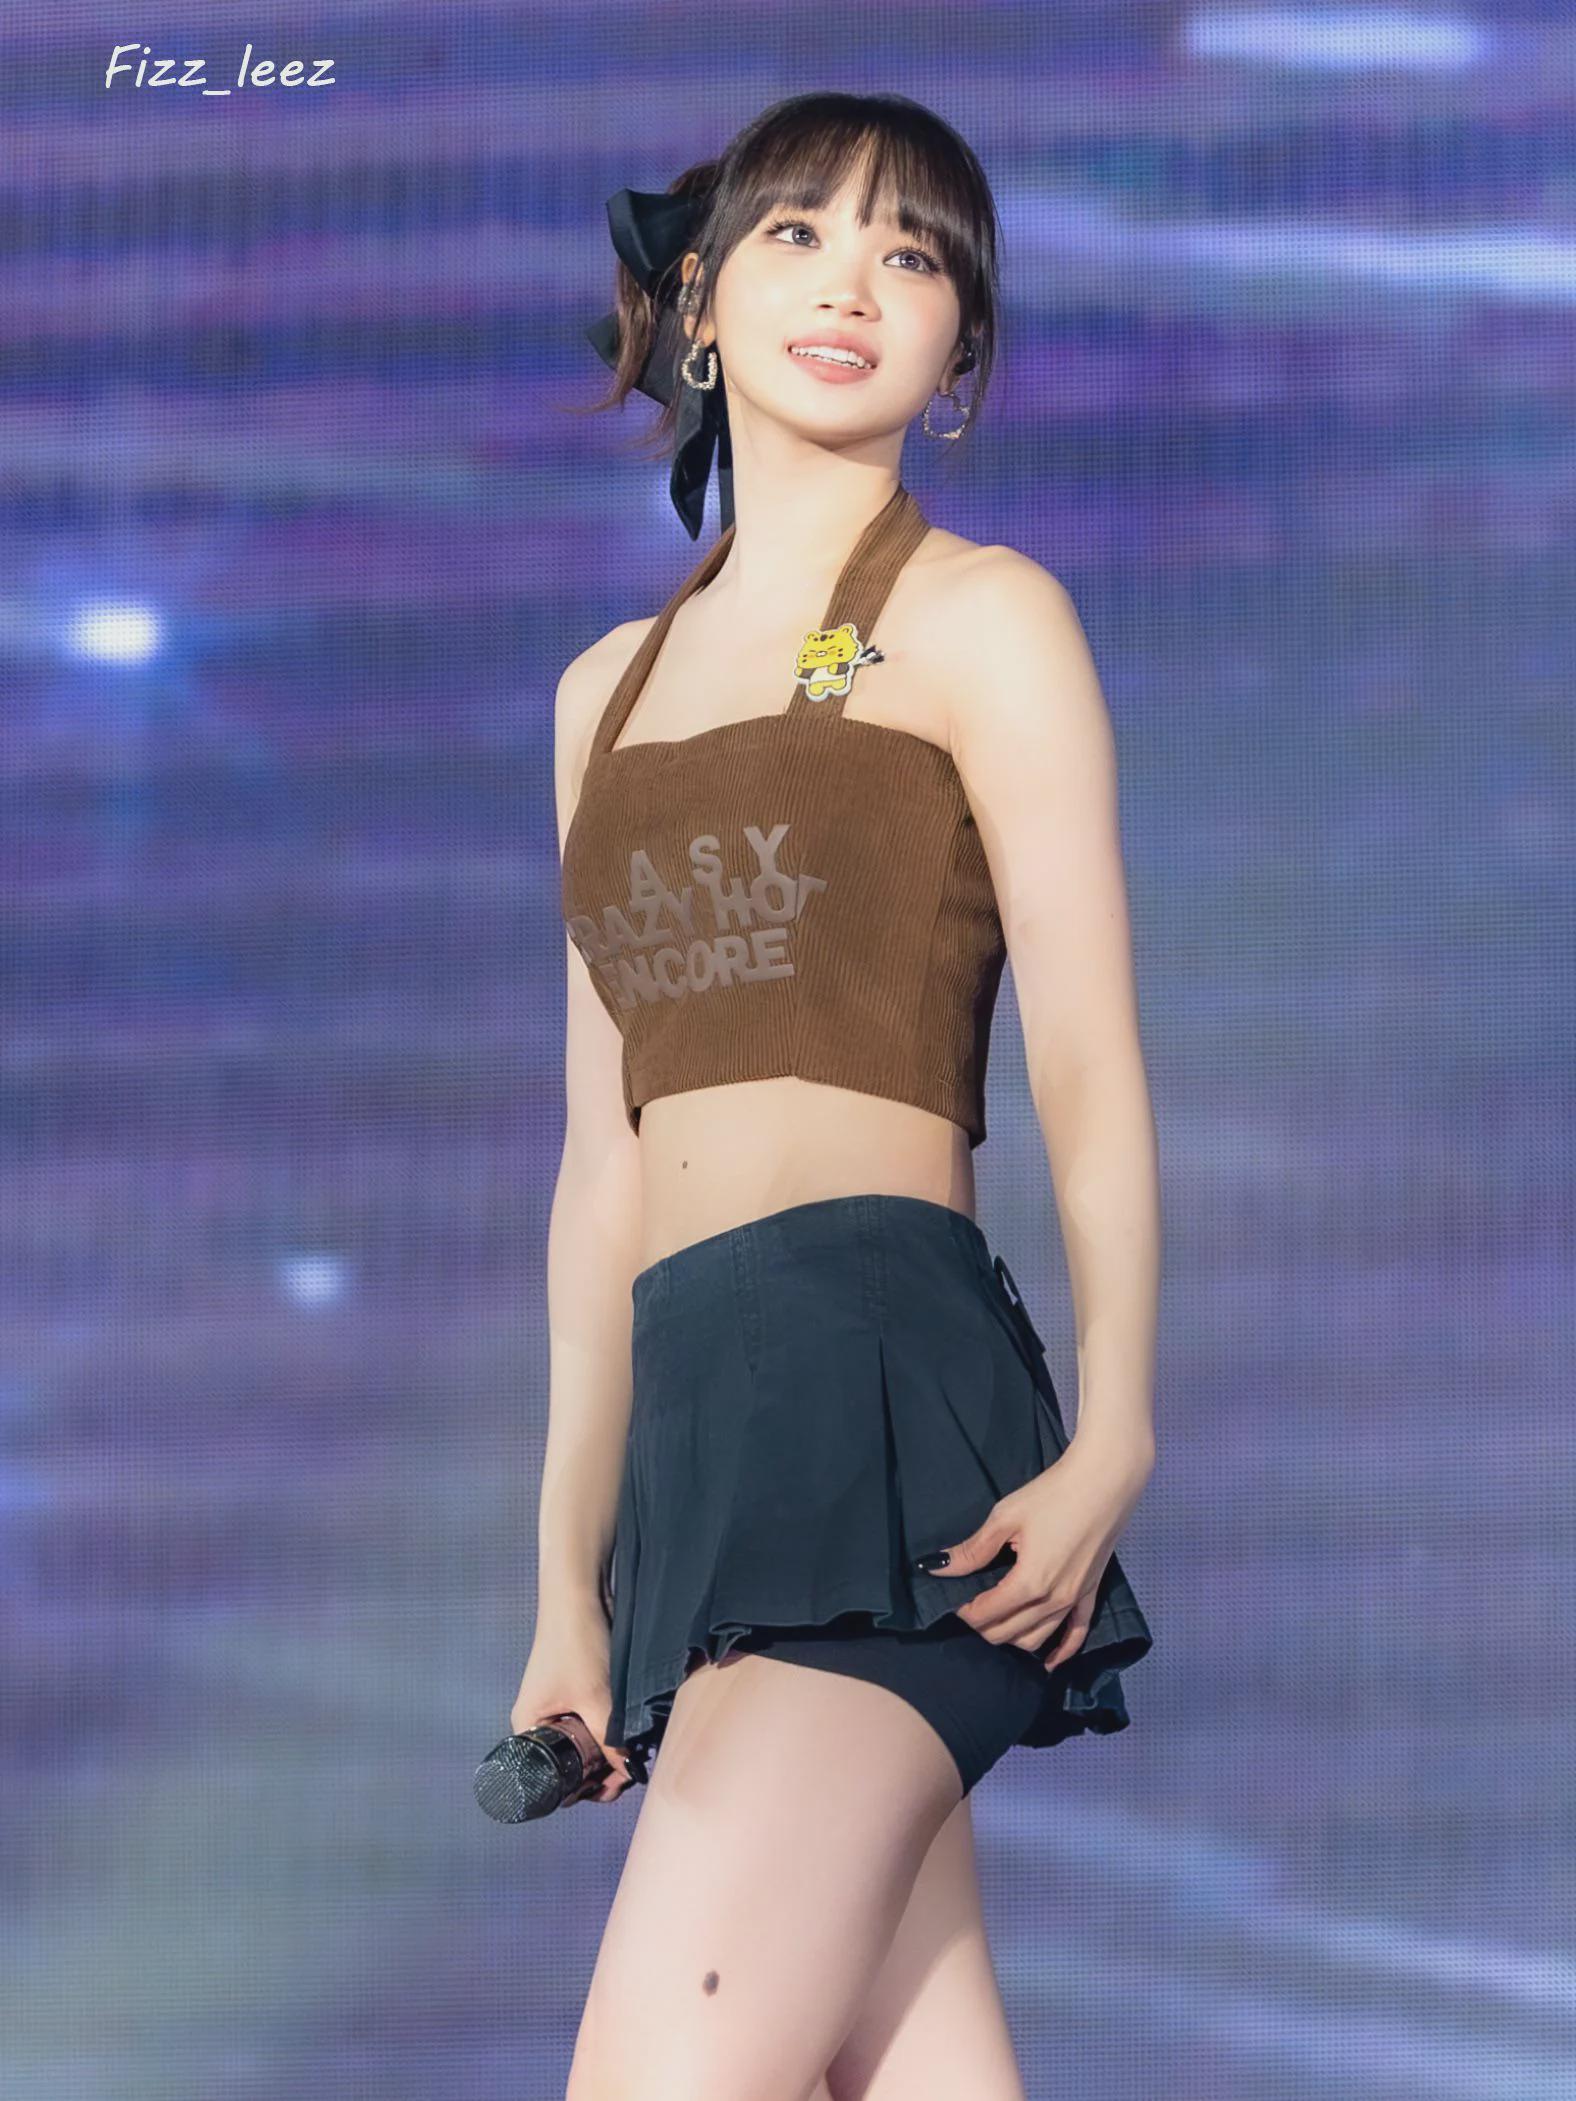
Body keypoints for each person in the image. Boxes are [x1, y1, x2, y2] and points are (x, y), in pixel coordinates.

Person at [513, 91, 1160, 2101]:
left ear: (959, 347)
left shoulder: (981, 615)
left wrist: (1118, 1421)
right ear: (699, 303)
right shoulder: (601, 695)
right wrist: (562, 1587)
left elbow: (1085, 1060)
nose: (853, 283)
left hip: (891, 1423)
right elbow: (602, 1169)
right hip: (701, 1455)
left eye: (913, 252)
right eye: (800, 234)